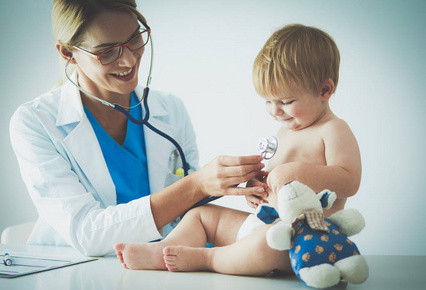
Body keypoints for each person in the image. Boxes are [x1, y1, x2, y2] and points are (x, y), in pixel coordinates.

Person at [9, 0, 266, 257]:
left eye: (134, 39)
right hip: (78, 275)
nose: (129, 60)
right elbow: (87, 233)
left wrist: (237, 184)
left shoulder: (171, 110)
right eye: (107, 51)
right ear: (67, 53)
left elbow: (183, 214)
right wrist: (196, 185)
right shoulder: (35, 122)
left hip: (158, 270)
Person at [114, 23, 362, 276]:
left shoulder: (333, 129)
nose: (275, 111)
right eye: (268, 101)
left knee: (267, 242)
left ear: (324, 90)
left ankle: (208, 258)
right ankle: (166, 248)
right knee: (201, 214)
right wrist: (256, 188)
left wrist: (298, 172)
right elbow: (277, 183)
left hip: (300, 242)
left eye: (286, 102)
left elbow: (350, 181)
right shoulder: (285, 132)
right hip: (262, 224)